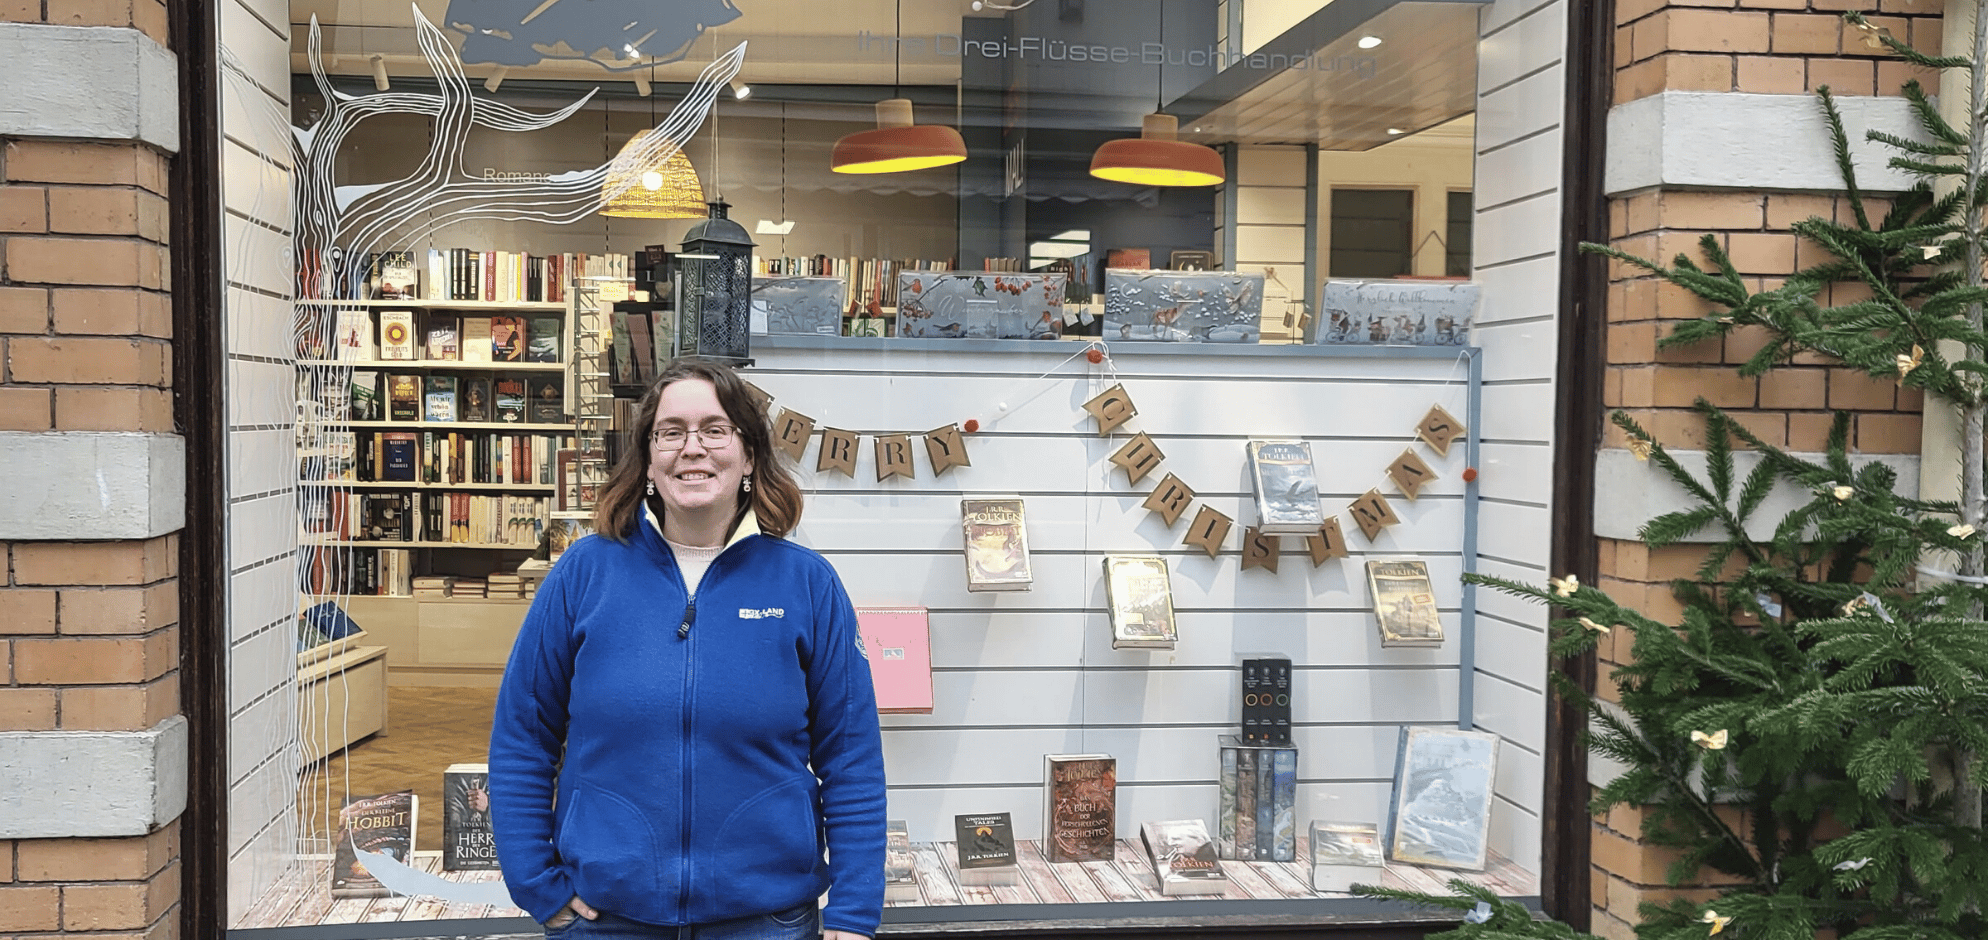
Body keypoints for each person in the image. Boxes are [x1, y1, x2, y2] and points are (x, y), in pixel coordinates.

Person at [488, 359, 886, 938]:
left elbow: (850, 759)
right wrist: (537, 886)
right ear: (649, 459)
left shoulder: (806, 584)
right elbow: (523, 737)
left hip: (765, 921)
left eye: (715, 430)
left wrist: (853, 914)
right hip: (605, 921)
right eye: (671, 432)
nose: (692, 448)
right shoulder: (583, 575)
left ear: (748, 455)